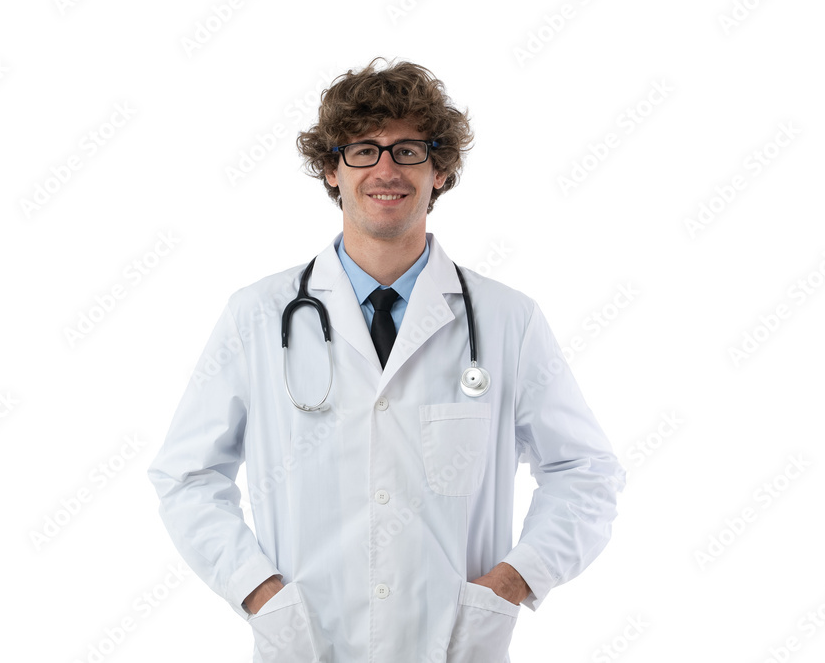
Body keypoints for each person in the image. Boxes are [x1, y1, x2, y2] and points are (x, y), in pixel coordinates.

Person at [147, 57, 625, 663]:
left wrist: (511, 584)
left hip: (455, 645)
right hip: (307, 643)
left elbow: (587, 472)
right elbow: (185, 476)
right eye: (362, 150)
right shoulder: (256, 317)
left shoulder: (508, 321)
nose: (385, 169)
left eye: (408, 151)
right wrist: (261, 593)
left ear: (441, 170)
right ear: (330, 170)